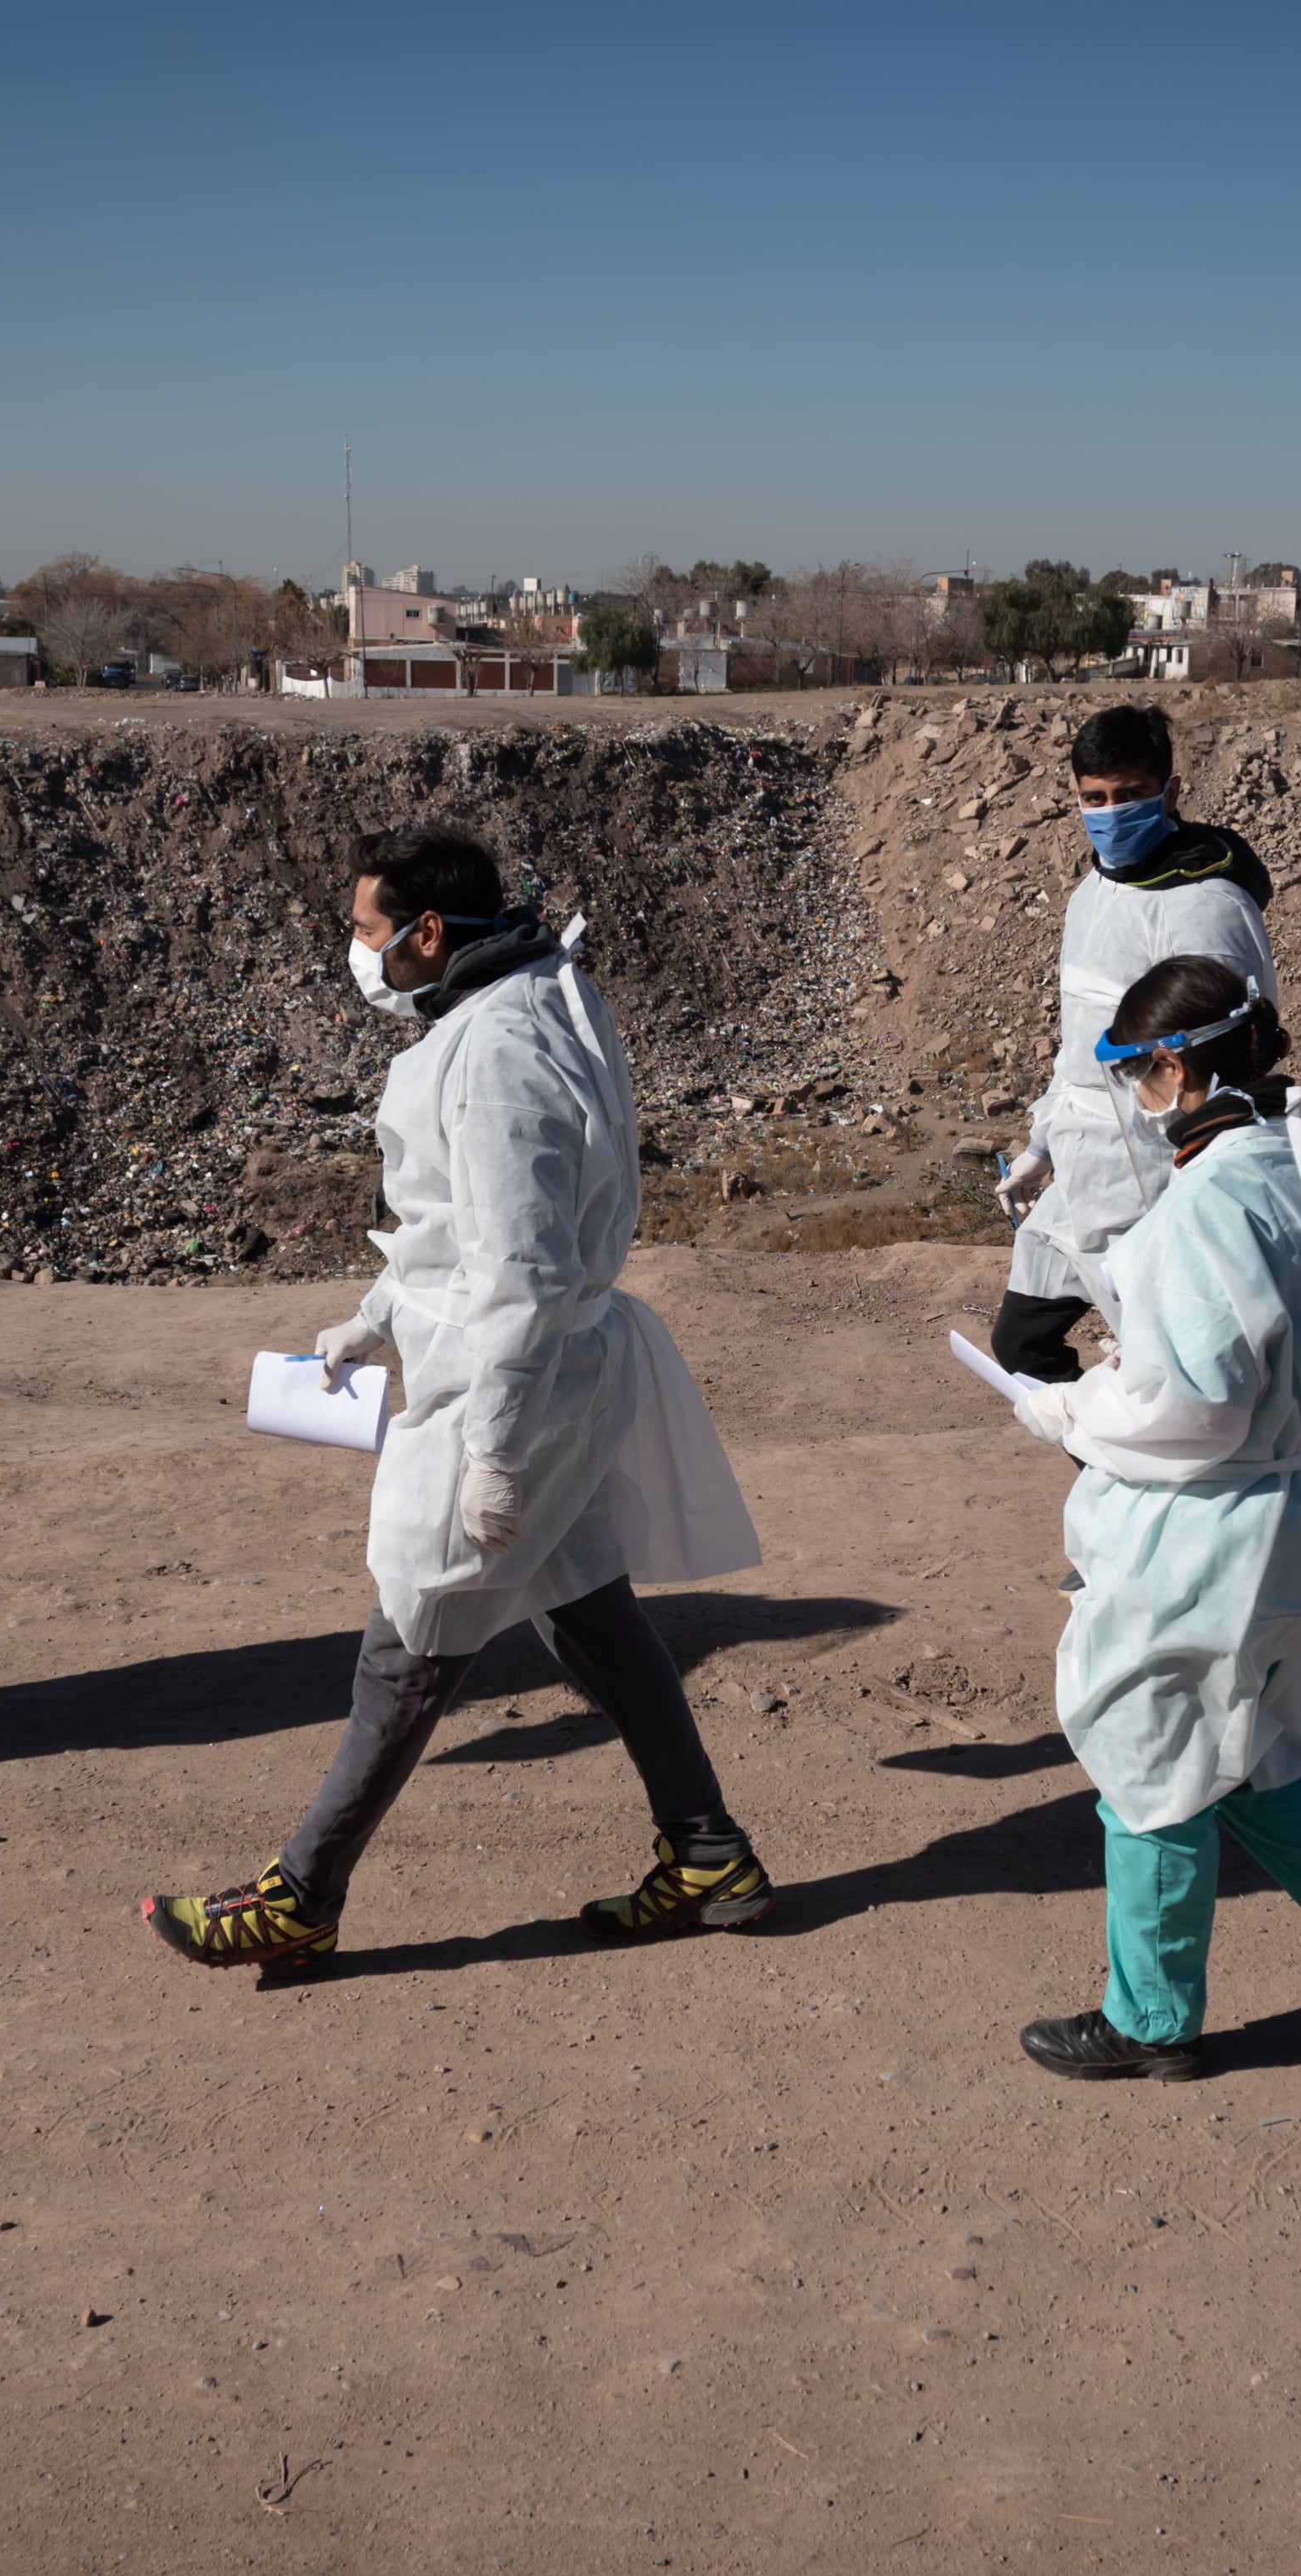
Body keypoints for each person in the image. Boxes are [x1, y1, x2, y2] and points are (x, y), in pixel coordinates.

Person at [142, 826, 770, 1974]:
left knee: (412, 1638)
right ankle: (708, 1850)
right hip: (523, 1370)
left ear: (430, 935)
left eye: (368, 932)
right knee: (591, 1612)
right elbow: (466, 1221)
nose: (358, 952)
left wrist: (495, 1450)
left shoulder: (497, 1055)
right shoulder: (528, 996)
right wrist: (379, 1312)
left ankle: (304, 1890)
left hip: (513, 1386)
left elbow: (524, 1272)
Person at [988, 956, 1301, 2078]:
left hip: (1219, 1529)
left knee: (1149, 1749)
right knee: (1254, 1740)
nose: (1138, 1100)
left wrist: (1072, 1407)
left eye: (1136, 1074)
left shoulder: (1205, 1204)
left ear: (1175, 1065)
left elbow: (1192, 1404)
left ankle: (1151, 2021)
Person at [990, 702, 1274, 1385]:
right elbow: (1079, 1045)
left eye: (1130, 795)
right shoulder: (1091, 892)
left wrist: (1205, 1186)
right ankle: (1109, 1482)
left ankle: (1142, 1488)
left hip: (1159, 1184)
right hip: (1083, 1171)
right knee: (1022, 1346)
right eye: (1094, 798)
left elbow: (1235, 1057)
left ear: (1171, 792)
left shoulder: (1205, 906)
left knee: (1173, 1381)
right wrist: (1040, 1145)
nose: (1110, 812)